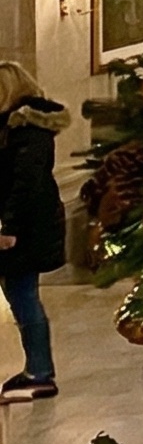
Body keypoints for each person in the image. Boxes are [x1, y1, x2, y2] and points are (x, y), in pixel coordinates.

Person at [0, 63, 66, 398]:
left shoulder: (28, 130)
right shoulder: (19, 127)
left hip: (26, 227)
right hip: (29, 224)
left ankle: (40, 371)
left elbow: (24, 183)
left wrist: (8, 226)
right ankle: (37, 368)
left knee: (24, 295)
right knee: (20, 294)